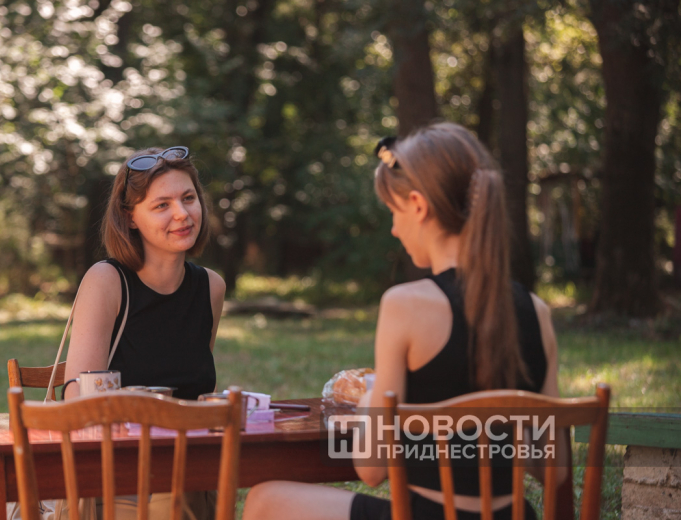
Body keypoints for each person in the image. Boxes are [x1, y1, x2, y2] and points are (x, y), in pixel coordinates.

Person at [242, 122, 565, 520]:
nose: (394, 228)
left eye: (394, 212)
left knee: (264, 501)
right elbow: (555, 469)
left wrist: (371, 402)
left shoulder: (405, 305)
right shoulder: (538, 312)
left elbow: (371, 469)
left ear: (417, 205)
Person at [63, 146, 226, 520]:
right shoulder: (107, 281)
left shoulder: (211, 288)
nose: (182, 213)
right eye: (162, 205)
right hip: (111, 478)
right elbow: (77, 399)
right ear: (130, 218)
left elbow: (196, 388)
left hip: (186, 476)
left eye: (188, 198)